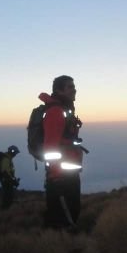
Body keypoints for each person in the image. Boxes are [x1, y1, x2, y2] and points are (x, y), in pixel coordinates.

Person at [39, 75, 85, 229]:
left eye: (74, 86)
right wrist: (55, 177)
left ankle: (66, 246)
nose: (74, 89)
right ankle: (59, 247)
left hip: (68, 174)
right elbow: (50, 148)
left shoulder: (65, 110)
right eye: (70, 87)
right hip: (60, 177)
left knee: (70, 214)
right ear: (59, 90)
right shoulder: (55, 112)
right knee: (62, 219)